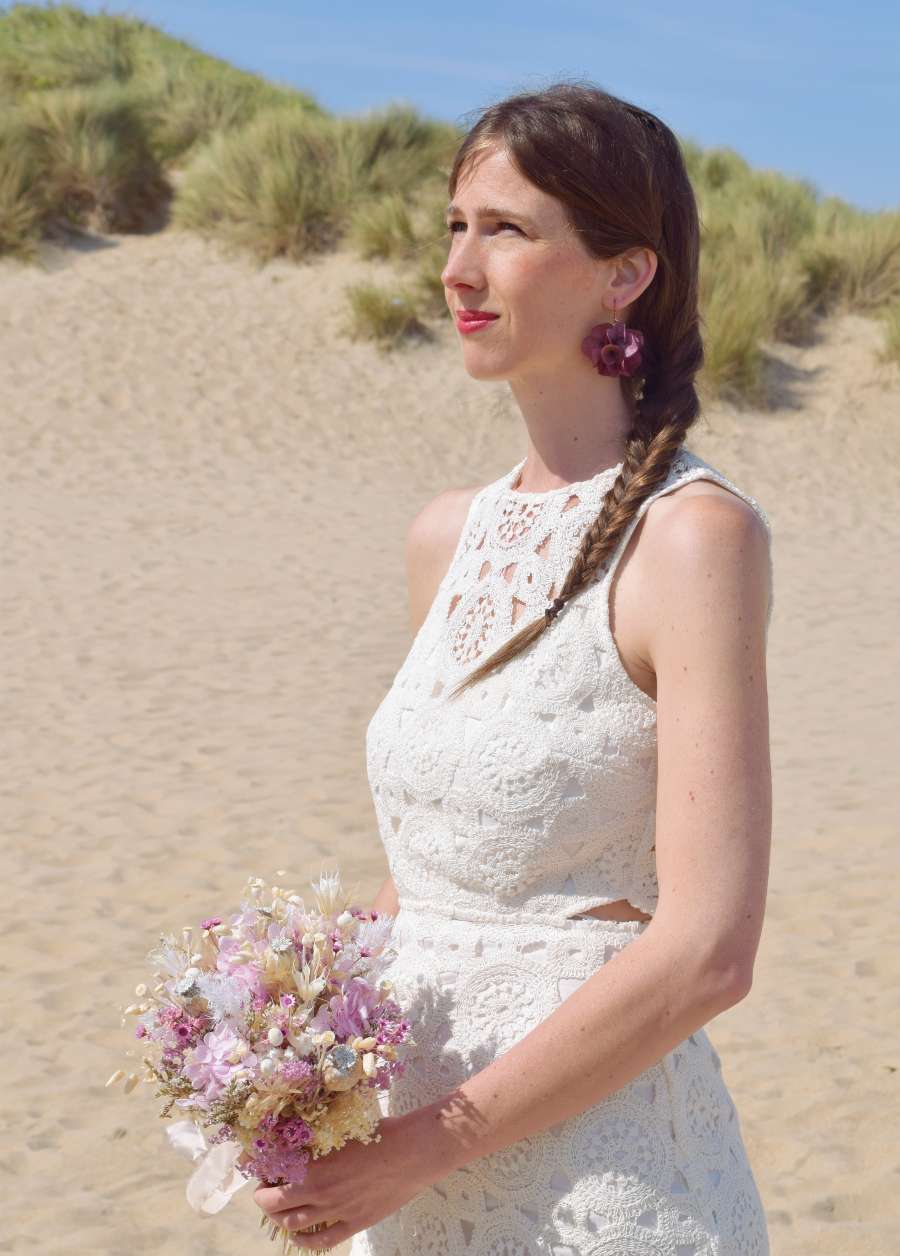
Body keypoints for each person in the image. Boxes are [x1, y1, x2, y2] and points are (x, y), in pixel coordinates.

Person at [254, 81, 773, 1255]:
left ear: (624, 272)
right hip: (405, 1177)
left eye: (507, 229)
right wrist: (278, 1022)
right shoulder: (444, 536)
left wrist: (428, 1140)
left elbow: (708, 950)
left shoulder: (693, 539)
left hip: (600, 1179)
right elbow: (445, 873)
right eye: (453, 226)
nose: (457, 267)